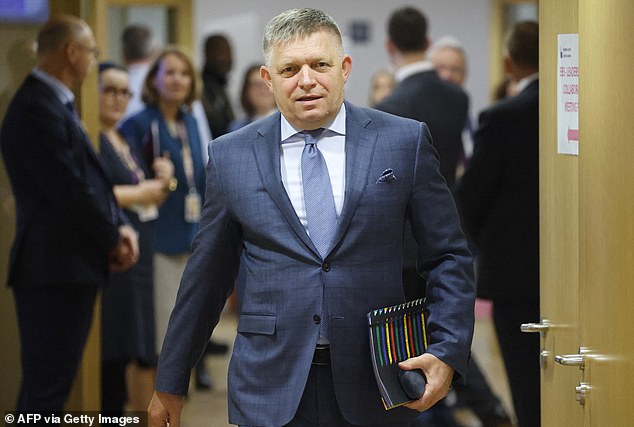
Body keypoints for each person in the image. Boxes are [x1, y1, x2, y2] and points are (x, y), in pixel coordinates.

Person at [149, 8, 475, 427]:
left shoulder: (402, 141)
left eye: (319, 65)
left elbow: (448, 255)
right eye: (289, 69)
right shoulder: (231, 155)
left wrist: (447, 348)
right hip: (269, 382)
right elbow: (206, 277)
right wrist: (172, 379)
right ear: (268, 79)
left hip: (377, 379)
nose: (306, 80)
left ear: (344, 69)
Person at [0, 14, 139, 413]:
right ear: (71, 52)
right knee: (45, 392)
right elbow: (71, 191)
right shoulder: (35, 108)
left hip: (65, 265)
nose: (94, 61)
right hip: (53, 268)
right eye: (92, 52)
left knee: (50, 387)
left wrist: (117, 227)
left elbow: (86, 182)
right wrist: (113, 235)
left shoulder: (51, 102)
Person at [456, 21, 540, 427]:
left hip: (516, 273)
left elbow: (472, 197)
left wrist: (484, 241)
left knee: (527, 384)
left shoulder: (503, 117)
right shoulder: (591, 109)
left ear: (508, 62)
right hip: (586, 274)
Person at [429, 37, 513, 427]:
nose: (448, 76)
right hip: (430, 247)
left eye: (455, 70)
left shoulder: (473, 122)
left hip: (468, 241)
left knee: (456, 329)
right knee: (448, 332)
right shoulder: (416, 123)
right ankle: (483, 408)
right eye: (441, 68)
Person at [118, 46, 209, 390]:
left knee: (180, 333)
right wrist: (164, 180)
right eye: (169, 72)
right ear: (154, 79)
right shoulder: (138, 124)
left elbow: (197, 178)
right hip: (156, 240)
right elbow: (129, 180)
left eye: (183, 73)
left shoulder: (189, 122)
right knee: (157, 339)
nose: (177, 80)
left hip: (190, 238)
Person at [97, 62, 175, 413]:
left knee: (138, 344)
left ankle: (134, 414)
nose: (118, 99)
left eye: (124, 92)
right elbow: (93, 193)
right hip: (113, 251)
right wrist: (142, 192)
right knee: (113, 349)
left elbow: (149, 191)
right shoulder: (91, 137)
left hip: (139, 250)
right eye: (109, 90)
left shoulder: (121, 137)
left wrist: (165, 180)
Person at [201, 34, 235, 138]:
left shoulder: (221, 86)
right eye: (219, 51)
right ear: (207, 54)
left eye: (228, 52)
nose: (225, 58)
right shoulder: (200, 89)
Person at [228, 63, 277, 132]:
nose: (263, 89)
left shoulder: (290, 123)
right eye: (257, 85)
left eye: (267, 83)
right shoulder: (237, 129)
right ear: (246, 91)